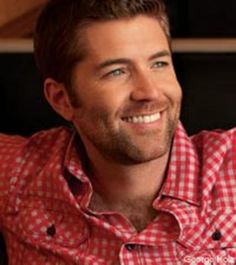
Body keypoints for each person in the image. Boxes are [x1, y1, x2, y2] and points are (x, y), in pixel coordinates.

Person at [0, 0, 236, 264]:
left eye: (158, 64)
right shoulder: (19, 175)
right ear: (61, 99)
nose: (149, 92)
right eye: (117, 71)